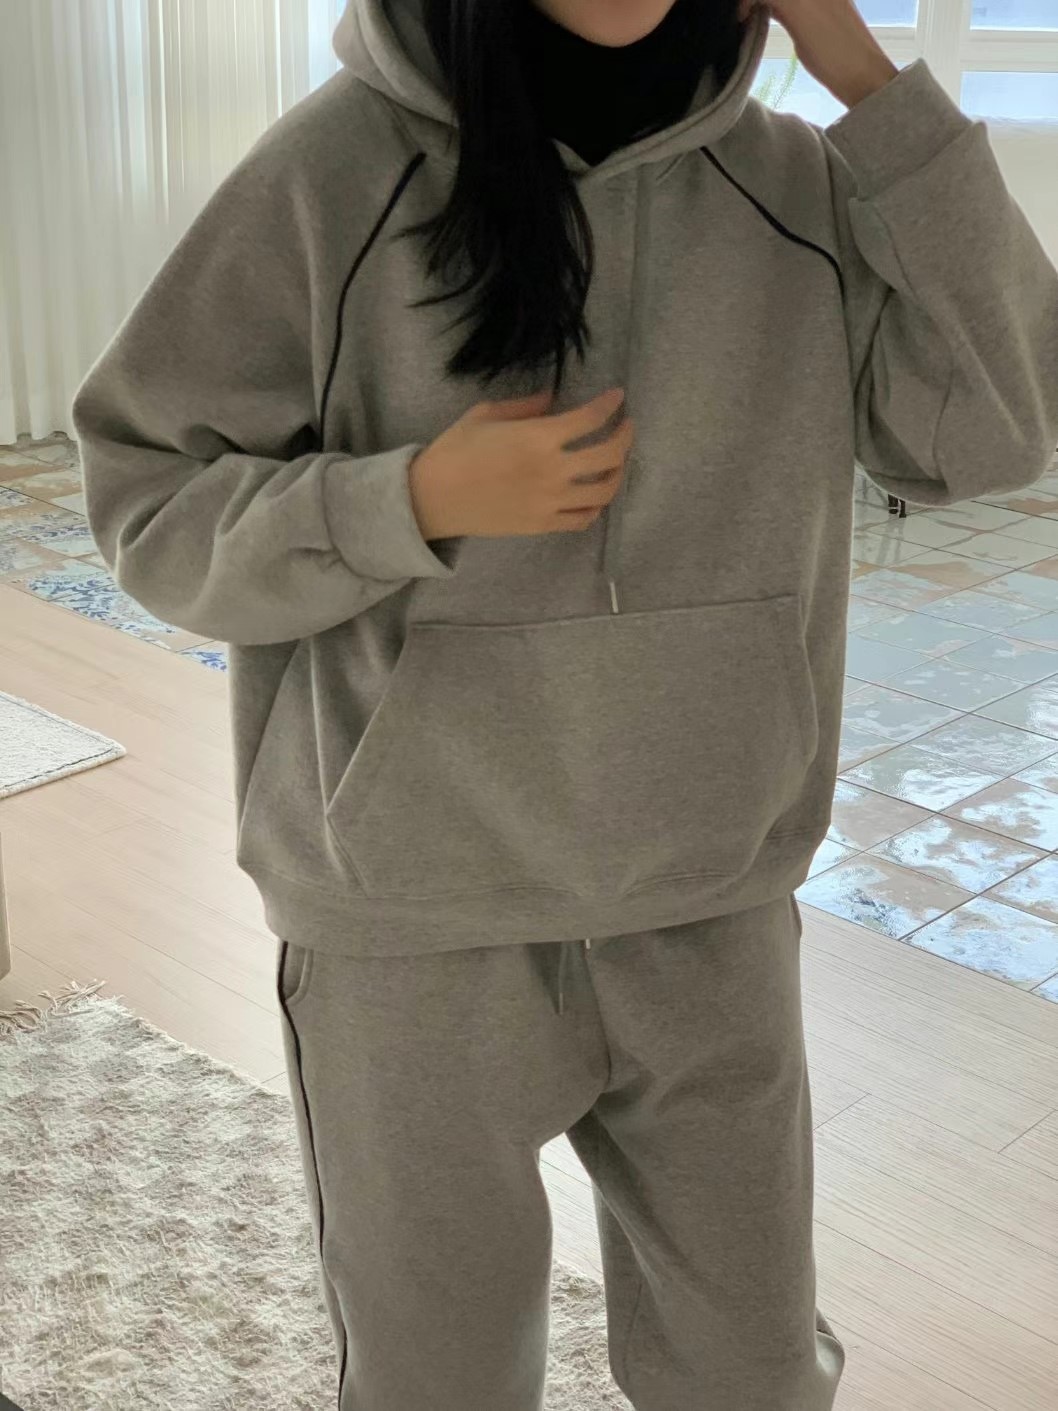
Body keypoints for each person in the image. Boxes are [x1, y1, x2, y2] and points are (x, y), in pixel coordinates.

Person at [71, 0, 1058, 1405]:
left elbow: (992, 431)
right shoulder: (333, 168)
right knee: (440, 1373)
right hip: (415, 916)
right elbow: (151, 505)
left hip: (707, 894)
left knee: (749, 1372)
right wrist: (407, 499)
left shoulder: (793, 181)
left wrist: (857, 69)